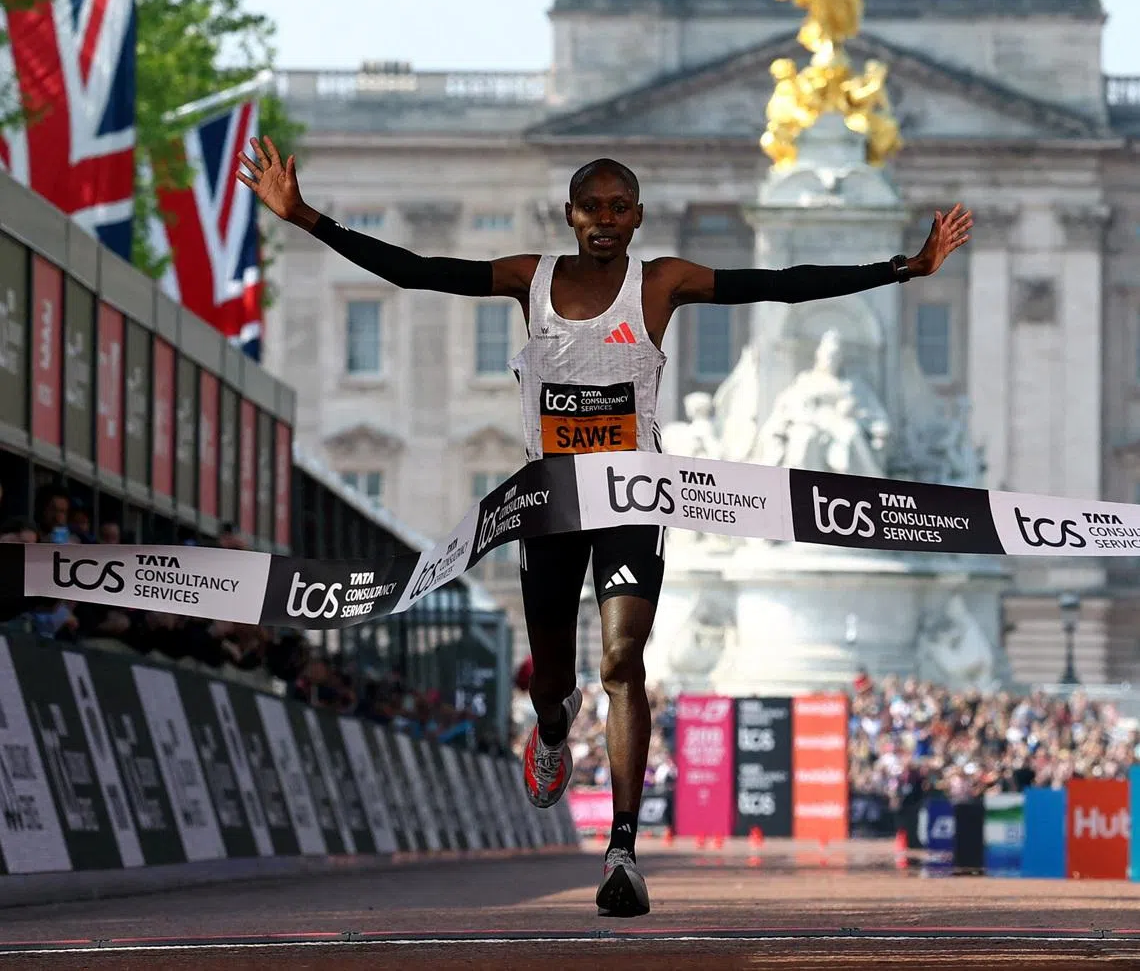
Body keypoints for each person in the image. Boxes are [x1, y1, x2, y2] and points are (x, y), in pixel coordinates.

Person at [237, 136, 971, 917]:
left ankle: (623, 848)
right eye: (593, 208)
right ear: (570, 215)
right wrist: (307, 218)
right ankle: (553, 723)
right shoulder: (532, 278)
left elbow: (780, 284)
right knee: (552, 676)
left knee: (624, 661)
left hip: (633, 495)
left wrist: (902, 267)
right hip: (550, 501)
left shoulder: (662, 285)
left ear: (639, 217)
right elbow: (421, 272)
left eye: (621, 209)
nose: (606, 221)